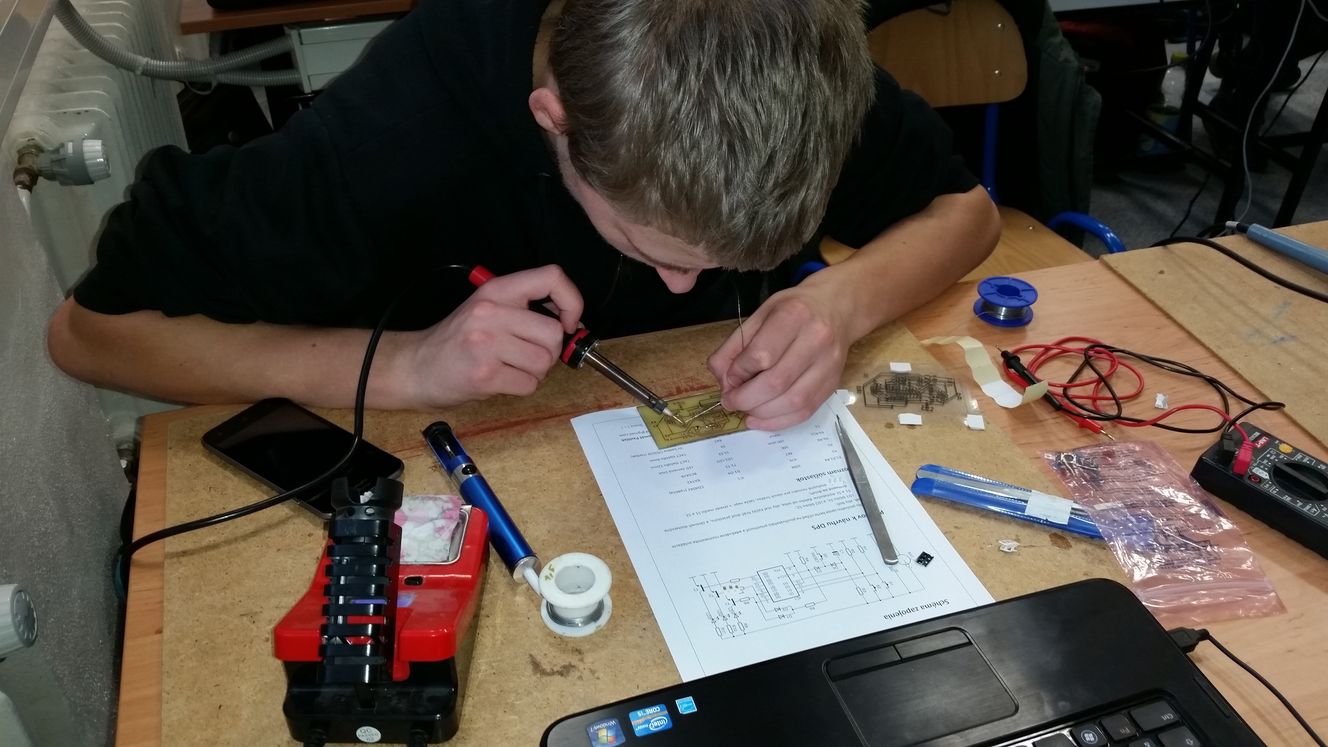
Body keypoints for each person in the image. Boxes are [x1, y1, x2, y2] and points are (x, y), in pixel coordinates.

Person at [47, 0, 999, 432]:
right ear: (555, 122)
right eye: (653, 248)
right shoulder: (401, 129)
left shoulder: (786, 52)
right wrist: (408, 366)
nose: (689, 289)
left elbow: (967, 212)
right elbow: (92, 336)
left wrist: (838, 303)